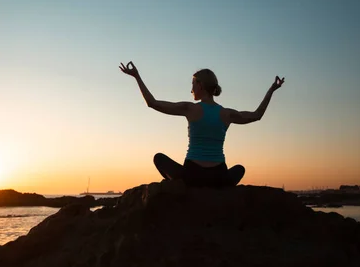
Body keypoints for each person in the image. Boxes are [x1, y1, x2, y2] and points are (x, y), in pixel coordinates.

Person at [119, 61, 284, 188]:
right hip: (219, 177)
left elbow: (152, 103)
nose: (191, 89)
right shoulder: (226, 113)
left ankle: (179, 187)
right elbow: (257, 115)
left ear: (201, 85)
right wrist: (271, 90)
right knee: (239, 169)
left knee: (159, 158)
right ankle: (220, 190)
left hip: (192, 176)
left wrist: (137, 76)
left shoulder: (190, 108)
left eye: (193, 84)